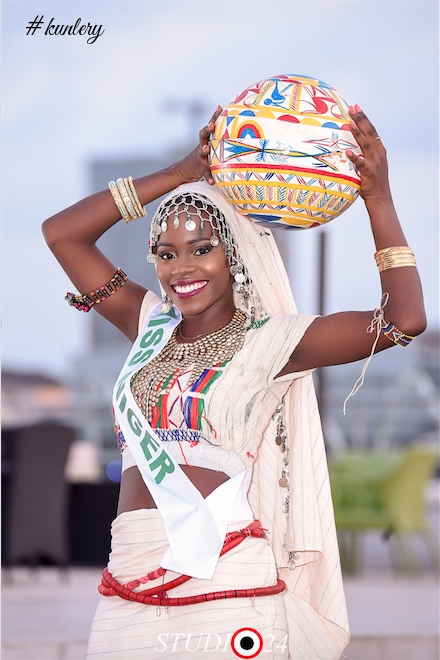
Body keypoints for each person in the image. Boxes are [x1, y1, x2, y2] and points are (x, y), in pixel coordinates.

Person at [42, 104, 426, 660]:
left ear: (235, 255)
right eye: (166, 254)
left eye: (202, 250)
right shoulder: (147, 323)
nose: (183, 269)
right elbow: (62, 235)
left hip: (227, 577)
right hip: (130, 568)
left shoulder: (273, 341)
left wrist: (379, 201)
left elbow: (402, 321)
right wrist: (177, 174)